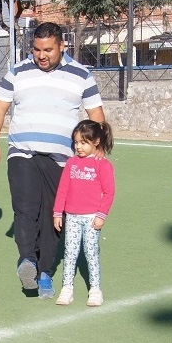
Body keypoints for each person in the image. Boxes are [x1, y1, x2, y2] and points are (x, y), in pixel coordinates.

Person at [0, 22, 105, 299]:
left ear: (62, 46)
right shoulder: (18, 71)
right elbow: (0, 108)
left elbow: (96, 115)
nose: (41, 55)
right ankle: (27, 260)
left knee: (54, 216)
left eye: (48, 50)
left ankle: (46, 272)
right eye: (37, 49)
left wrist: (97, 150)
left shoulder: (81, 75)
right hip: (22, 153)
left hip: (62, 160)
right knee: (25, 210)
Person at [52, 120, 115, 307]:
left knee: (91, 252)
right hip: (72, 217)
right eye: (76, 142)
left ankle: (95, 290)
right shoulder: (71, 163)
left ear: (96, 142)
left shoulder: (103, 165)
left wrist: (101, 215)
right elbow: (63, 189)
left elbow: (109, 192)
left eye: (83, 142)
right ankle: (67, 288)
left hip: (91, 218)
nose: (78, 146)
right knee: (70, 253)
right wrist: (57, 213)